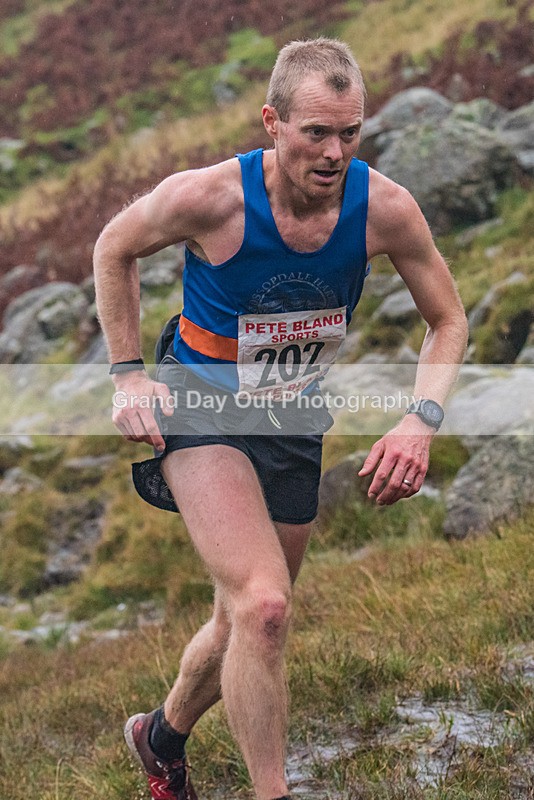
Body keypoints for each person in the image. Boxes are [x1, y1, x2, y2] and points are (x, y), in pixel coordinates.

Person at [93, 37, 468, 800]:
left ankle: (160, 738)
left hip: (293, 421)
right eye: (316, 133)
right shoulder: (212, 198)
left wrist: (419, 420)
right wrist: (128, 374)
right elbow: (114, 247)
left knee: (247, 621)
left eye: (350, 133)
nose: (335, 152)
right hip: (200, 406)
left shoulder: (384, 210)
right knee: (264, 605)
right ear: (273, 121)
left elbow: (449, 321)